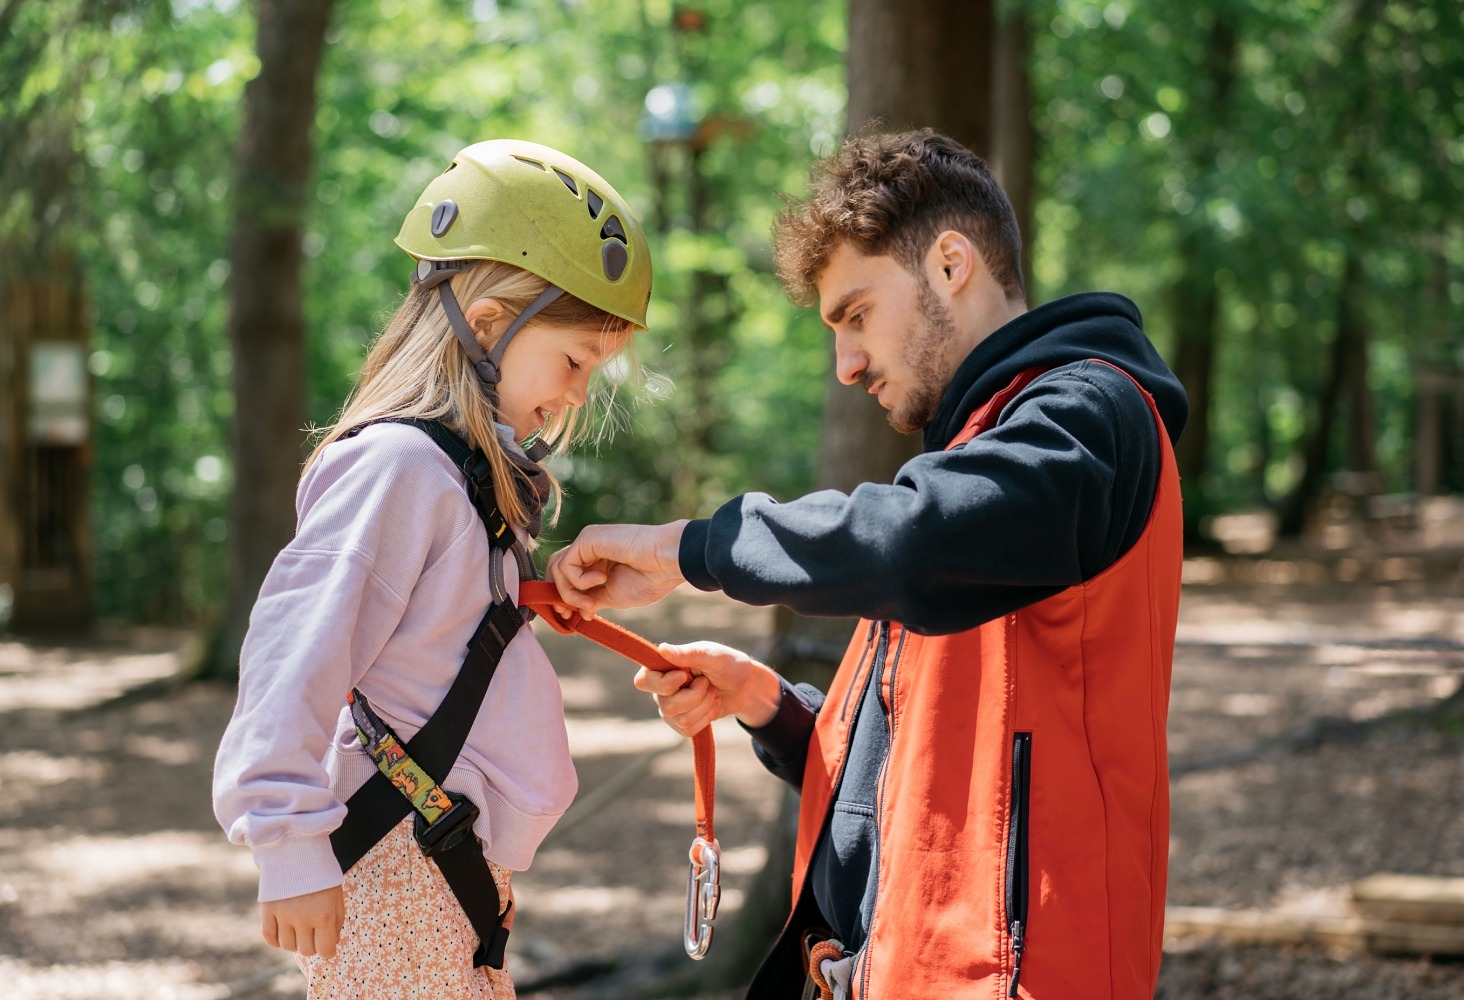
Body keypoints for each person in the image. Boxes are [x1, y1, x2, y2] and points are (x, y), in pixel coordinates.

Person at [547, 129, 1188, 999]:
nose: (846, 364)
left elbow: (912, 547)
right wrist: (769, 708)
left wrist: (687, 548)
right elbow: (918, 763)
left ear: (951, 264)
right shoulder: (970, 457)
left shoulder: (1090, 414)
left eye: (856, 315)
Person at [212, 139, 652, 999]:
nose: (575, 396)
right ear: (488, 322)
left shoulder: (457, 478)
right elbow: (294, 650)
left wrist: (529, 593)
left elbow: (429, 634)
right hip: (398, 866)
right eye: (573, 361)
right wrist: (287, 839)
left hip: (442, 858)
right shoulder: (397, 469)